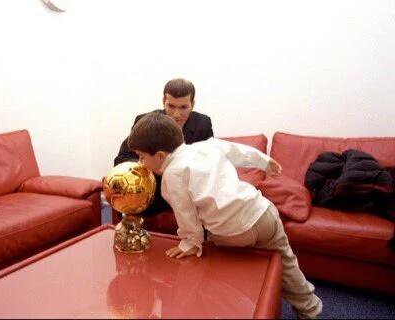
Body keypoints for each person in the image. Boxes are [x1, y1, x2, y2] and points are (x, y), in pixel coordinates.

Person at [127, 112, 323, 319]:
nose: (140, 163)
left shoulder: (172, 175)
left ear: (160, 156)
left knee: (210, 266)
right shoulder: (207, 145)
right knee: (287, 262)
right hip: (263, 212)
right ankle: (310, 308)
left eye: (141, 156)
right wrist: (264, 161)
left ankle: (236, 309)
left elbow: (187, 217)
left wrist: (190, 243)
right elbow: (238, 152)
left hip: (233, 232)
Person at [114, 78, 213, 217]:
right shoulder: (145, 121)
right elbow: (121, 159)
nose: (176, 114)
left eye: (183, 107)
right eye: (171, 106)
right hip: (153, 188)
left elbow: (209, 163)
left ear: (192, 104)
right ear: (163, 102)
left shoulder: (203, 124)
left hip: (187, 190)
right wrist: (148, 166)